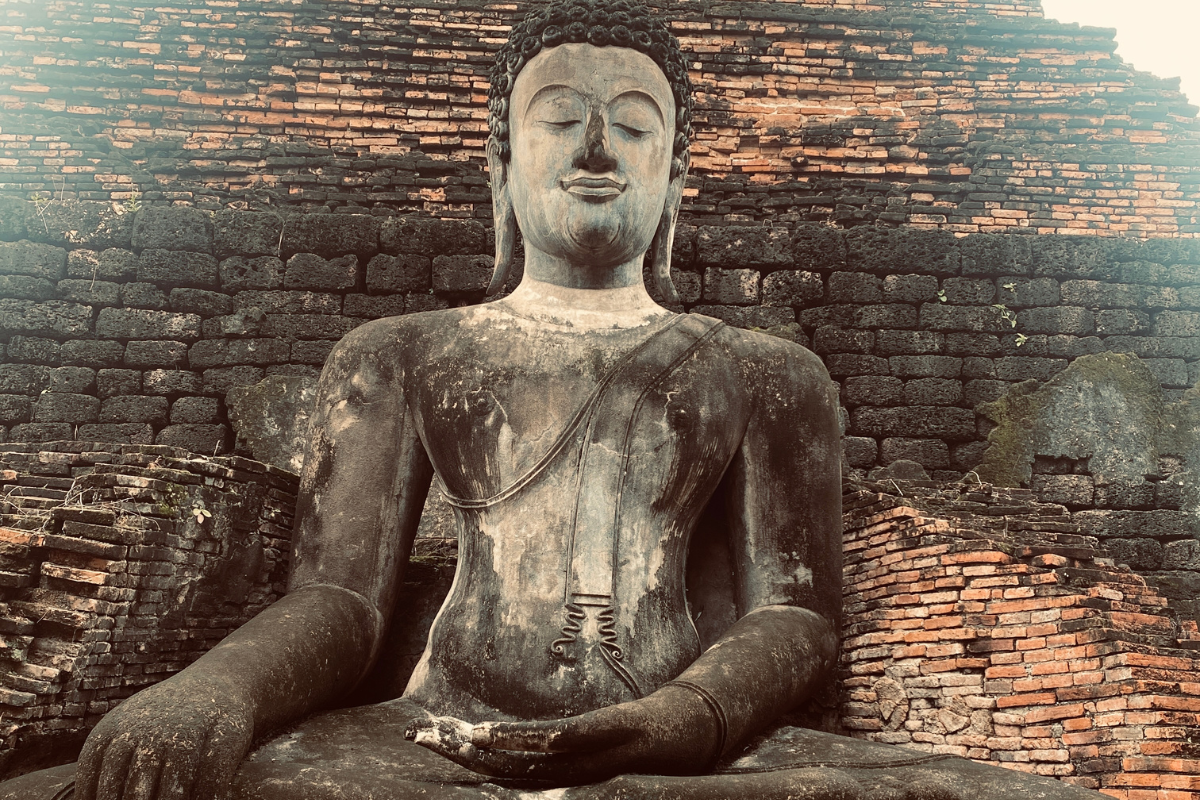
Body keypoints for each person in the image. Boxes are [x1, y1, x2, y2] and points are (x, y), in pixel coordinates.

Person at [0, 2, 1101, 798]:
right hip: (434, 740)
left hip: (681, 748)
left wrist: (676, 719)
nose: (592, 147)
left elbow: (798, 615)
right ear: (500, 164)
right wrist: (217, 692)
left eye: (632, 123)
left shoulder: (765, 373)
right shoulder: (401, 353)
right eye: (559, 116)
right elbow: (342, 600)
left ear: (675, 178)